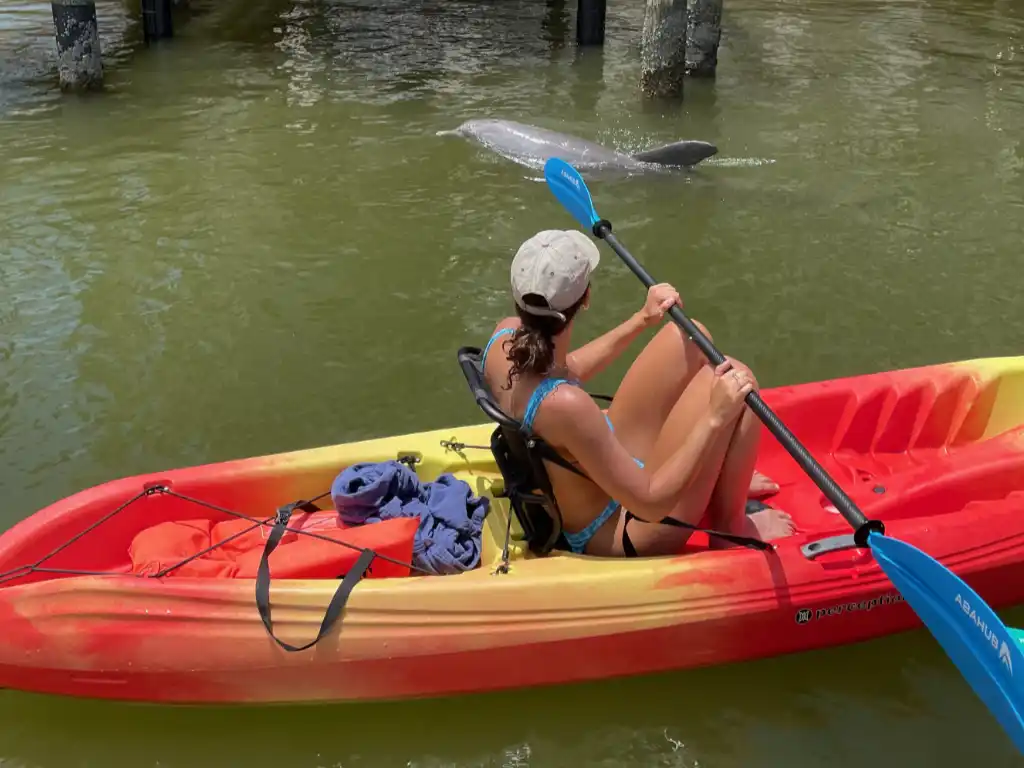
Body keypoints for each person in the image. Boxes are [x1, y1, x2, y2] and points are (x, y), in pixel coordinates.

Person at [480, 229, 796, 557]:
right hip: (625, 528)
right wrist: (715, 418)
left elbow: (566, 367)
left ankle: (725, 481)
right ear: (586, 297)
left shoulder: (505, 336)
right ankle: (731, 527)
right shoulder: (565, 406)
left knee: (690, 336)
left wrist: (641, 320)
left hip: (603, 485)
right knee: (736, 381)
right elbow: (651, 503)